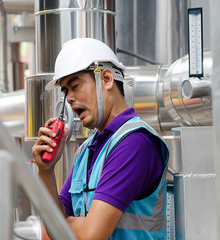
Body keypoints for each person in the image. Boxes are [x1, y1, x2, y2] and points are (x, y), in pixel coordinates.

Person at [32, 38, 169, 240]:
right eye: (65, 91)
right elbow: (49, 234)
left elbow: (90, 236)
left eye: (75, 86)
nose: (69, 98)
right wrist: (46, 171)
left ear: (106, 78)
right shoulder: (87, 149)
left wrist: (64, 223)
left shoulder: (135, 143)